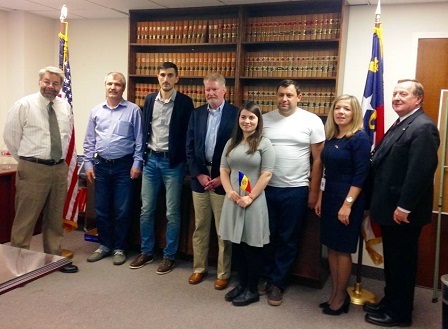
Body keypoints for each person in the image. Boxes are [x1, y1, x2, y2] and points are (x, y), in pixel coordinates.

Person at [364, 79, 439, 327]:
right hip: (389, 208)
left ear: (418, 99)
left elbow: (421, 171)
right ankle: (391, 301)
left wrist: (404, 207)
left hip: (402, 212)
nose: (396, 97)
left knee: (402, 264)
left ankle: (399, 314)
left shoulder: (423, 127)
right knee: (394, 262)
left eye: (403, 94)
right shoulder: (402, 123)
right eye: (395, 93)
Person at [3, 66, 78, 273]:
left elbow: (66, 137)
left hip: (58, 168)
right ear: (40, 82)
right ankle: (17, 264)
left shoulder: (64, 107)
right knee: (25, 219)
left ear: (60, 86)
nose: (50, 87)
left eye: (55, 83)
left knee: (54, 218)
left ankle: (53, 258)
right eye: (47, 81)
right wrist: (28, 161)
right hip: (33, 168)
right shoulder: (24, 105)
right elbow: (11, 137)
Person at [261, 79, 325, 306]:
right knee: (265, 236)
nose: (284, 99)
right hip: (266, 189)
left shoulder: (312, 121)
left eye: (289, 95)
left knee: (288, 238)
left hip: (296, 189)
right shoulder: (265, 119)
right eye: (280, 95)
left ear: (299, 96)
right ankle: (266, 276)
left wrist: (314, 191)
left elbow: (318, 159)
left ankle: (277, 282)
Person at [130, 62, 194, 274]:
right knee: (146, 209)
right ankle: (147, 251)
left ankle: (169, 256)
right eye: (162, 75)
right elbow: (144, 131)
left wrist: (184, 164)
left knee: (172, 213)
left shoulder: (185, 103)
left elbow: (188, 136)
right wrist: (141, 159)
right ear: (157, 77)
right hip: (151, 161)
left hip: (172, 164)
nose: (165, 79)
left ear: (177, 78)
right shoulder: (149, 100)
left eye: (170, 75)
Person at [315, 95, 371, 315]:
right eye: (337, 108)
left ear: (354, 112)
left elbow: (361, 174)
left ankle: (340, 298)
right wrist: (320, 197)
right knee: (331, 247)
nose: (340, 112)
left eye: (346, 109)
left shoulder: (359, 138)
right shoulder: (332, 137)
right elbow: (326, 172)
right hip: (329, 197)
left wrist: (347, 204)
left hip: (348, 199)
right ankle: (334, 294)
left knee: (343, 249)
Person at [83, 72, 143, 266]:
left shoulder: (133, 110)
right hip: (100, 166)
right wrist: (88, 163)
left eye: (117, 84)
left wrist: (137, 163)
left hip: (124, 167)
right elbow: (89, 139)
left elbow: (140, 139)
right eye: (110, 83)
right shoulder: (96, 111)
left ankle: (119, 248)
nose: (113, 87)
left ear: (123, 88)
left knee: (122, 210)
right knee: (101, 209)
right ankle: (104, 245)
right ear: (105, 86)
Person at [219, 101, 275, 306]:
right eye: (243, 117)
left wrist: (250, 197)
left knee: (252, 246)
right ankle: (241, 284)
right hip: (234, 199)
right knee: (238, 245)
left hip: (253, 201)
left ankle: (252, 289)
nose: (247, 121)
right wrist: (229, 192)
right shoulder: (231, 142)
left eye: (251, 117)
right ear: (239, 119)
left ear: (258, 121)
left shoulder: (264, 144)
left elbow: (267, 174)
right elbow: (224, 170)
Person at [186, 73, 238, 289]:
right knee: (200, 226)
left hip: (222, 178)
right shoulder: (197, 114)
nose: (210, 93)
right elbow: (188, 146)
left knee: (222, 229)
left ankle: (223, 272)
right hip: (200, 177)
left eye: (215, 89)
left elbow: (239, 150)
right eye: (207, 89)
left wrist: (221, 177)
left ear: (224, 90)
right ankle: (199, 268)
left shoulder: (236, 115)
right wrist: (198, 174)